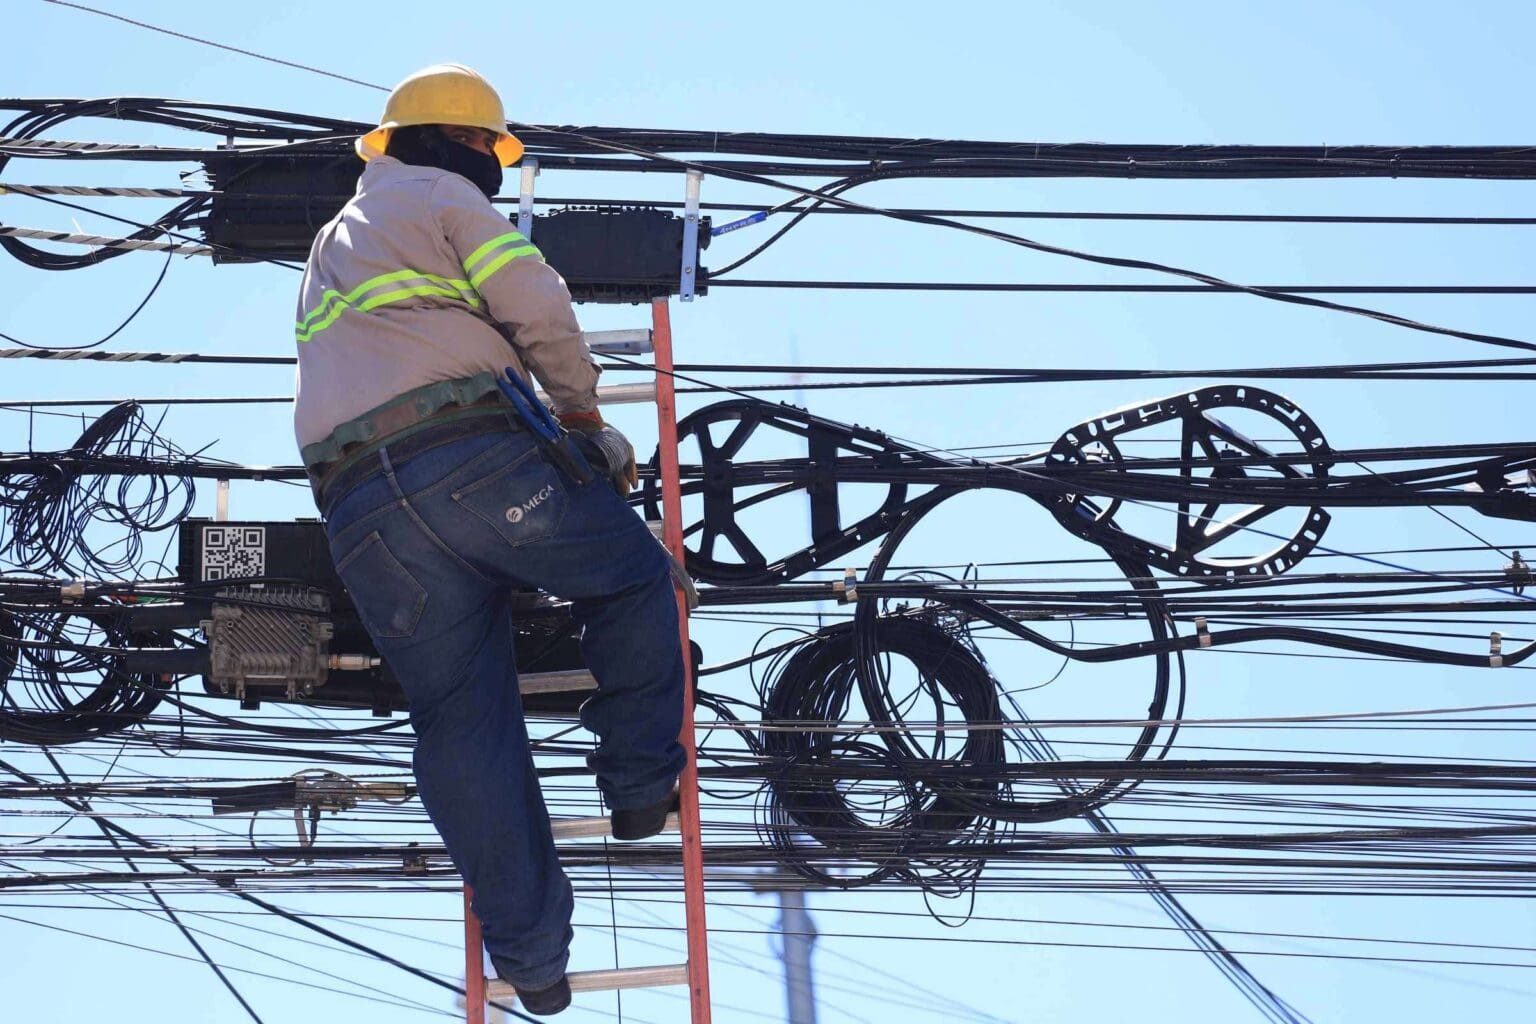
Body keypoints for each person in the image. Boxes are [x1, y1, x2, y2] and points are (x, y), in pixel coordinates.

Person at [292, 63, 686, 1016]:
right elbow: (536, 305)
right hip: (473, 458)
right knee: (639, 582)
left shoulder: (330, 242)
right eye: (489, 149)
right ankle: (637, 788)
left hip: (360, 510)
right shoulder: (443, 199)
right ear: (461, 143)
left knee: (463, 723)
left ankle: (534, 964)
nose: (495, 167)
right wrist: (584, 419)